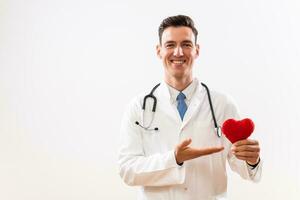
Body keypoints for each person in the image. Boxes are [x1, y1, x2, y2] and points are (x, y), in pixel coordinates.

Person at [118, 15, 262, 200]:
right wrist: (174, 159)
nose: (178, 52)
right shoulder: (138, 107)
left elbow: (246, 169)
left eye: (186, 44)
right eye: (170, 45)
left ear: (197, 50)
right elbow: (127, 170)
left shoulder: (222, 105)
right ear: (159, 51)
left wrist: (251, 160)